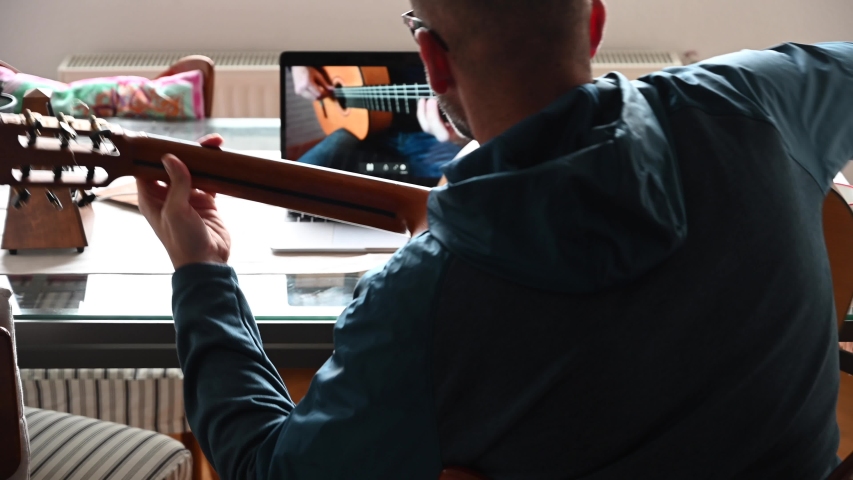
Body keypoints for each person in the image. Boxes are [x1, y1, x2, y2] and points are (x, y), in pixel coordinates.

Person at [135, 0, 853, 478]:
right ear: (594, 23)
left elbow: (267, 467)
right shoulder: (755, 100)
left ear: (432, 58)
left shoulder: (416, 304)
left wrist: (202, 271)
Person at [291, 65, 466, 183]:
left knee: (455, 179)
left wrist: (465, 136)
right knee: (299, 178)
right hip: (365, 131)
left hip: (430, 133)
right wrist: (299, 66)